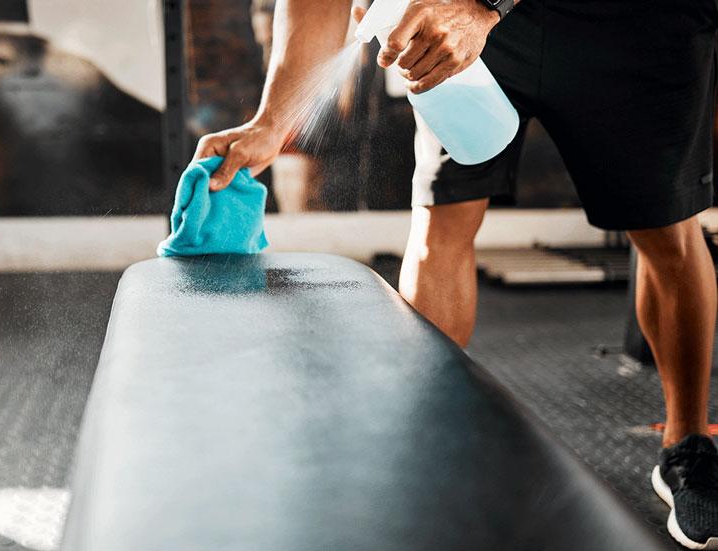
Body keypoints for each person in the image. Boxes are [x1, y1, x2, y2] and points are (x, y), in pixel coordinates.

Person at [193, 0, 718, 547]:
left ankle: (689, 444)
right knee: (442, 216)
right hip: (484, 23)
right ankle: (425, 438)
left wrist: (482, 5)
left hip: (637, 23)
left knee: (664, 227)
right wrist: (272, 122)